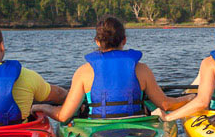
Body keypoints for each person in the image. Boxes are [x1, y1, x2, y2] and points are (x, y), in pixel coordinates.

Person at [31, 16, 193, 122]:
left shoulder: (84, 72)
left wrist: (42, 107)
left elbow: (63, 115)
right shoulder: (142, 70)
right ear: (124, 40)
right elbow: (165, 104)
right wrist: (187, 98)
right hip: (137, 130)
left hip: (98, 132)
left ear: (97, 41)